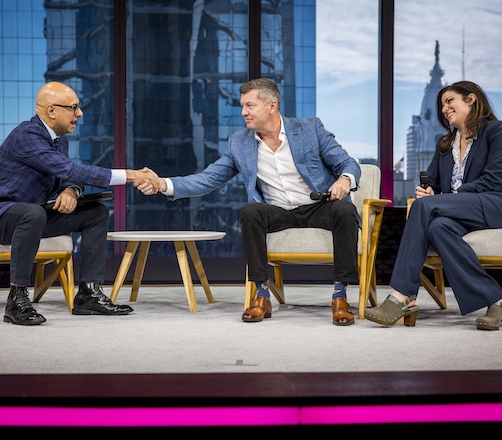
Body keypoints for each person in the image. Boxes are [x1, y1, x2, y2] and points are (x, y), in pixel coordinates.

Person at [137, 77, 362, 326]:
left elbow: (347, 163)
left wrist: (344, 180)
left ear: (271, 106)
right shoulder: (239, 143)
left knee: (344, 210)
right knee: (251, 212)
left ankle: (340, 295)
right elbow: (207, 179)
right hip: (278, 212)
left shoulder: (309, 129)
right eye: (242, 106)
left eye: (250, 106)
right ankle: (262, 294)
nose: (244, 112)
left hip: (319, 205)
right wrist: (162, 184)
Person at [0, 81, 159, 326]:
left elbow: (68, 176)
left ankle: (89, 293)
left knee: (95, 213)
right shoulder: (27, 136)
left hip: (31, 216)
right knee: (32, 213)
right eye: (74, 108)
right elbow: (69, 168)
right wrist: (130, 175)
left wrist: (71, 190)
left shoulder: (58, 140)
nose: (80, 114)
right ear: (51, 111)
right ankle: (17, 298)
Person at [364, 80, 502, 331]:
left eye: (450, 101)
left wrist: (445, 197)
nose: (444, 108)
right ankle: (498, 300)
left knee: (423, 208)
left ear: (471, 99)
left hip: (498, 205)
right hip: (463, 210)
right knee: (438, 227)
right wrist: (430, 191)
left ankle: (401, 295)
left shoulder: (497, 131)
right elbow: (435, 185)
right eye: (442, 105)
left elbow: (495, 179)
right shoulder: (445, 144)